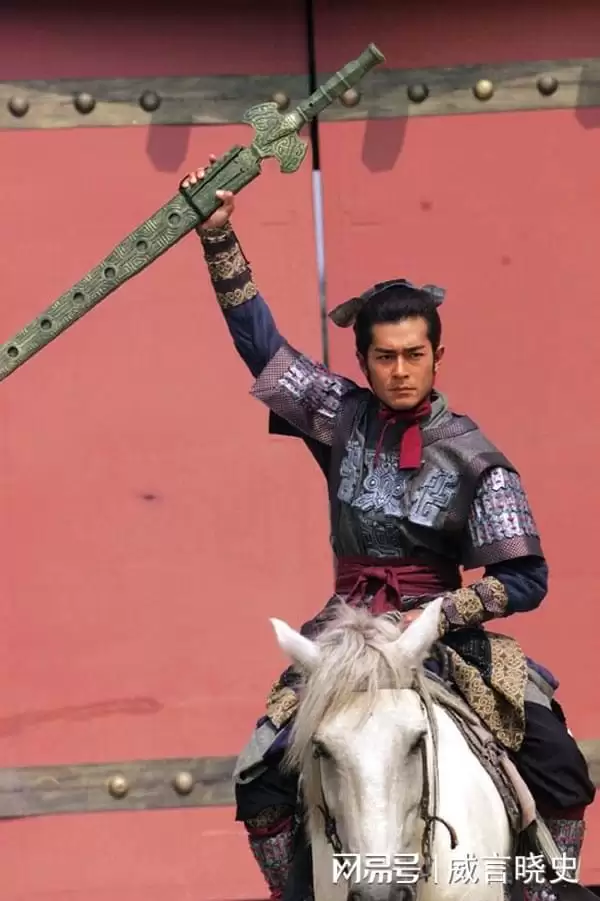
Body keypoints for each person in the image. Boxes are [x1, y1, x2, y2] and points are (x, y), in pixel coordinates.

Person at [181, 163, 595, 901]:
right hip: (346, 633)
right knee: (259, 774)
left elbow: (527, 579)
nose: (400, 370)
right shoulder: (339, 419)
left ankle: (546, 891)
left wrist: (438, 615)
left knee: (561, 765)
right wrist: (219, 240)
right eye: (384, 356)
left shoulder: (474, 455)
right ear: (364, 360)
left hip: (447, 636)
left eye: (413, 355)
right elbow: (262, 348)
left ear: (438, 355)